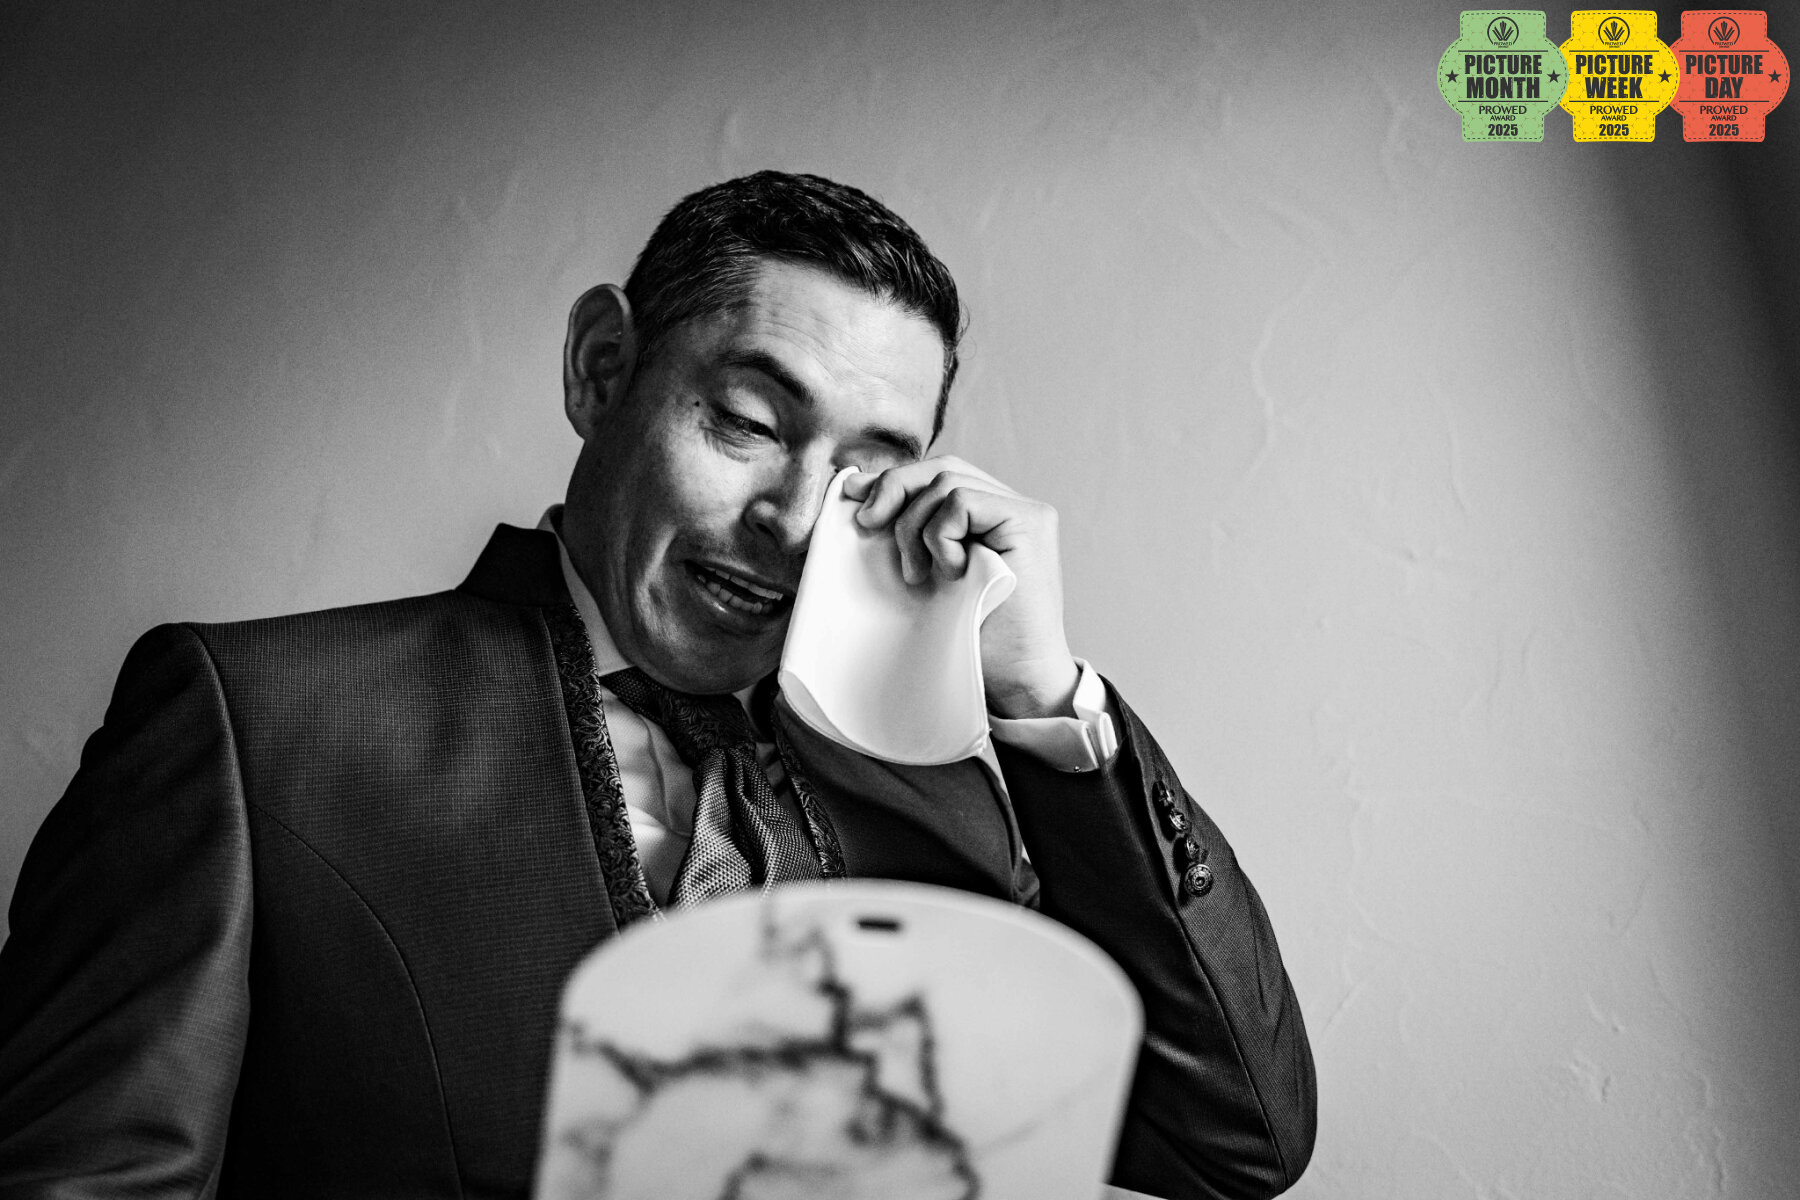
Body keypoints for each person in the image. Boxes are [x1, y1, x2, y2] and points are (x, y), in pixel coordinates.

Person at [0, 171, 1315, 1199]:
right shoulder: (260, 722)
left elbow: (1232, 1142)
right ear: (601, 370)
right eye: (747, 423)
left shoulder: (949, 801)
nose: (792, 519)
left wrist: (1042, 695)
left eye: (864, 472)